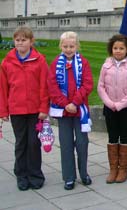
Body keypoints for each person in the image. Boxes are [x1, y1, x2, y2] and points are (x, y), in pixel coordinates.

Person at [0, 26, 49, 191]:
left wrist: (44, 108)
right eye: (18, 40)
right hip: (17, 110)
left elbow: (44, 86)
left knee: (34, 143)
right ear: (14, 41)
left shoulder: (39, 60)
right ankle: (21, 175)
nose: (20, 43)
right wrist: (3, 111)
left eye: (24, 40)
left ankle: (35, 174)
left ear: (31, 41)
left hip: (35, 110)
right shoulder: (7, 62)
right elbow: (3, 88)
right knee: (21, 143)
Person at [48, 31, 93, 190]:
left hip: (79, 110)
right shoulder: (55, 64)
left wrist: (74, 102)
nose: (68, 49)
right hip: (63, 111)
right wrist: (65, 103)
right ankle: (69, 177)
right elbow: (52, 87)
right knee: (66, 144)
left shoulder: (84, 63)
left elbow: (87, 84)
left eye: (71, 46)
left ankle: (84, 173)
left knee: (82, 143)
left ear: (77, 46)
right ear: (61, 46)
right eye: (65, 46)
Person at [97, 34, 127, 184]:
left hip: (126, 108)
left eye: (121, 48)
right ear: (111, 49)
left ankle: (123, 169)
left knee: (125, 136)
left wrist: (121, 104)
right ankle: (113, 168)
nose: (118, 51)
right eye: (115, 48)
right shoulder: (106, 65)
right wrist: (109, 103)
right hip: (110, 107)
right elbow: (101, 86)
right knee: (112, 136)